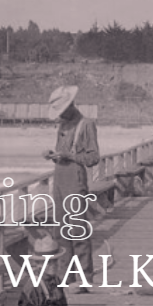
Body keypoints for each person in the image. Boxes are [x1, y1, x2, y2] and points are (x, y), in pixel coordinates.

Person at [43, 85, 100, 294]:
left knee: (77, 231)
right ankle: (65, 277)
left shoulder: (86, 125)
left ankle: (84, 279)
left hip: (75, 180)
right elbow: (63, 152)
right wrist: (54, 155)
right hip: (59, 179)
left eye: (62, 110)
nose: (61, 115)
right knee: (61, 231)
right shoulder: (63, 126)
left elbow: (93, 158)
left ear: (70, 105)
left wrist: (68, 156)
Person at [3, 236, 100, 306]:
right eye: (48, 263)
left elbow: (62, 303)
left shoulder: (56, 279)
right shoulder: (33, 285)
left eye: (55, 261)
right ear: (38, 264)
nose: (52, 266)